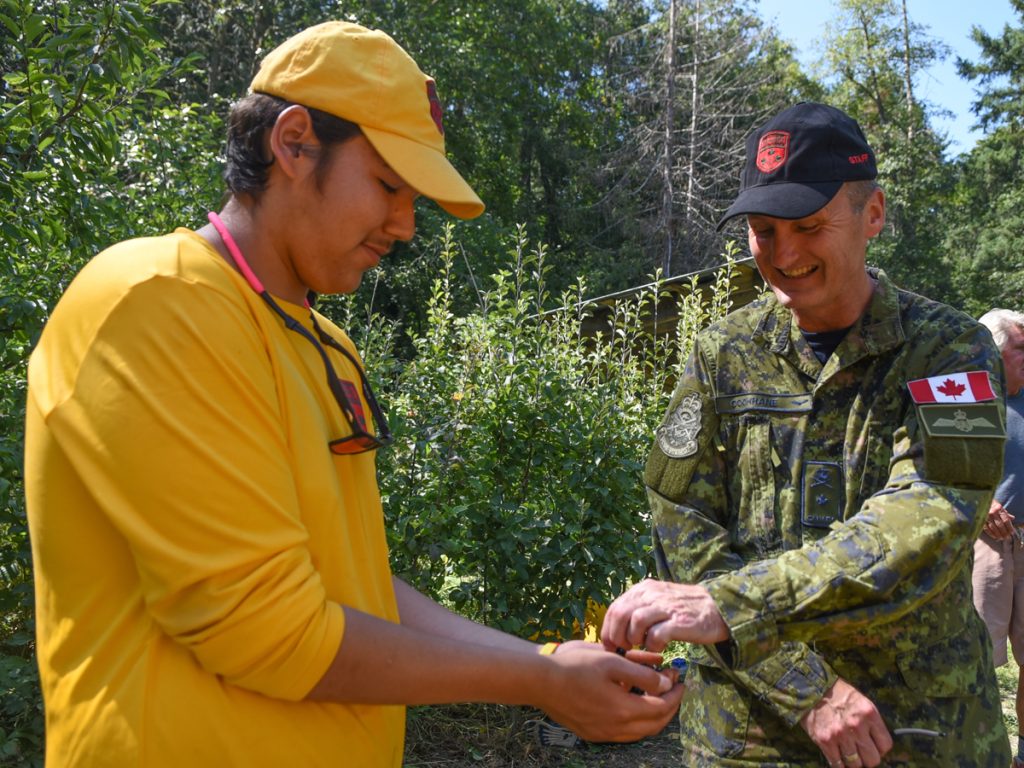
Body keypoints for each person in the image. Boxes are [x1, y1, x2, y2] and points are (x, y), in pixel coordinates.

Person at [23, 21, 683, 767]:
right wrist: (536, 680)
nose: (405, 226)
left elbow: (355, 583)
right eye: (389, 185)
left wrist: (547, 658)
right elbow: (267, 631)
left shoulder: (324, 343)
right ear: (295, 143)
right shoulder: (155, 301)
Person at [600, 102, 1010, 767]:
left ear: (872, 214)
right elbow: (681, 527)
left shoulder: (951, 352)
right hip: (749, 737)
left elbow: (928, 518)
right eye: (764, 231)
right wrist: (806, 690)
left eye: (810, 226)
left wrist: (730, 604)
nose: (784, 255)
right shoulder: (720, 354)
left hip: (918, 732)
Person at [972, 309, 1024, 768]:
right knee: (978, 658)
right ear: (994, 350)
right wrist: (983, 502)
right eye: (1020, 350)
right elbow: (934, 467)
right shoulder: (966, 399)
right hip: (984, 546)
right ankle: (981, 750)